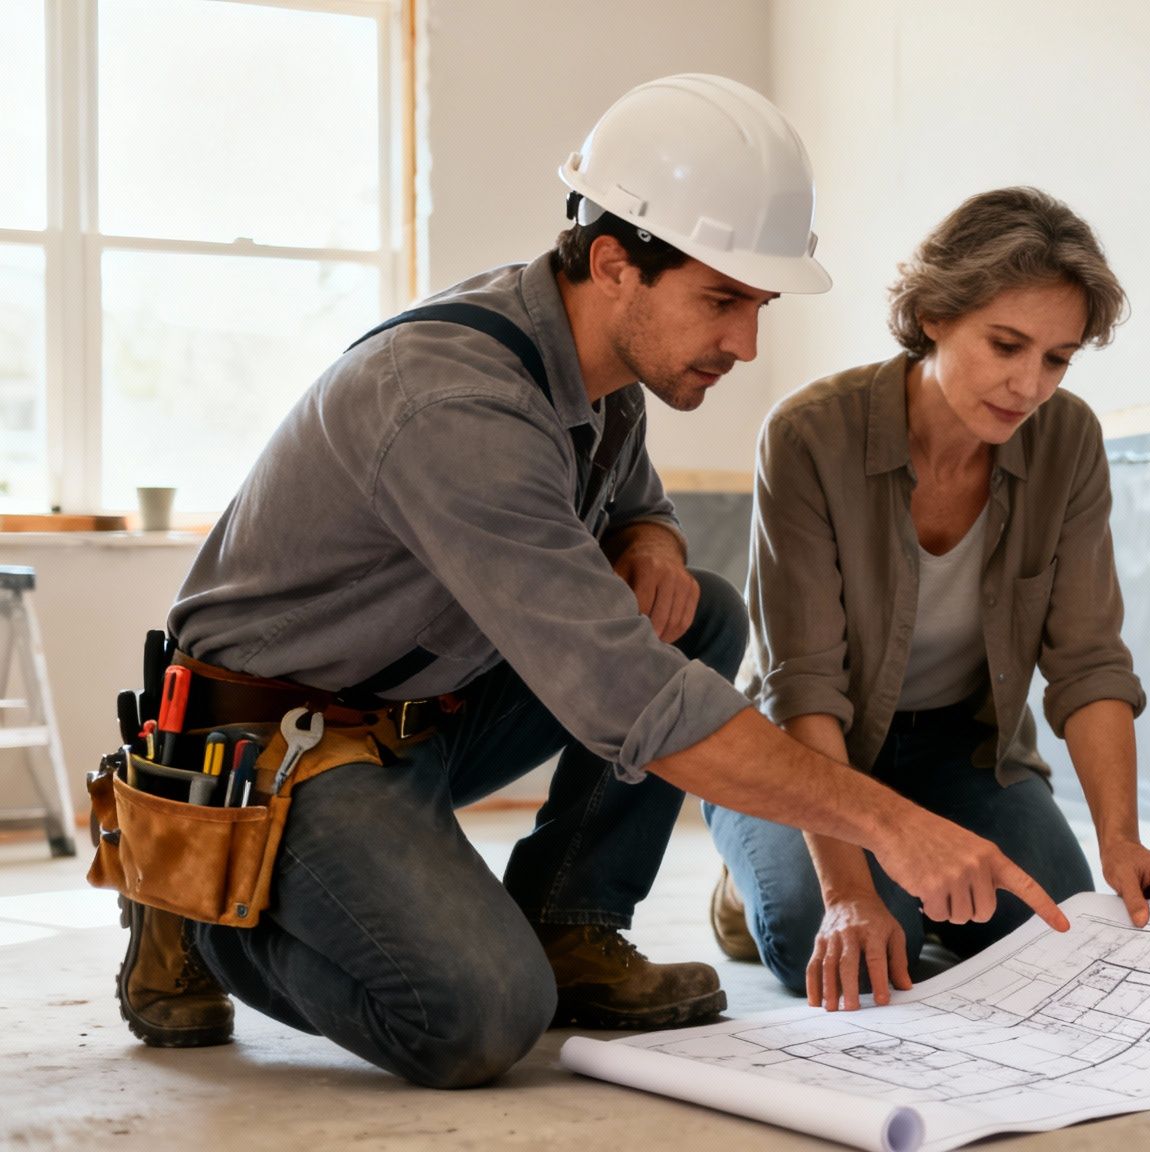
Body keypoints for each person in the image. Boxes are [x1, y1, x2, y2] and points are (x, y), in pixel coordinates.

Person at [116, 75, 1066, 1090]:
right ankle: (196, 898)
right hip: (272, 749)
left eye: (758, 304)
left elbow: (633, 503)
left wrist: (650, 540)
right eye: (720, 301)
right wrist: (892, 828)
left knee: (698, 610)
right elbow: (631, 699)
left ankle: (571, 921)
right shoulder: (454, 404)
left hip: (415, 721)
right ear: (614, 262)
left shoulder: (598, 372)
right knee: (479, 1018)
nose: (746, 343)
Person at [706, 187, 1150, 1012]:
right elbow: (805, 687)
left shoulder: (1068, 441)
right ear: (933, 312)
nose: (1029, 385)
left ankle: (927, 885)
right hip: (807, 749)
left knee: (1060, 940)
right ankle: (750, 886)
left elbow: (1089, 663)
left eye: (1057, 358)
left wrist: (1121, 842)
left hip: (962, 755)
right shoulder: (807, 436)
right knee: (829, 948)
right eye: (1006, 344)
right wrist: (850, 896)